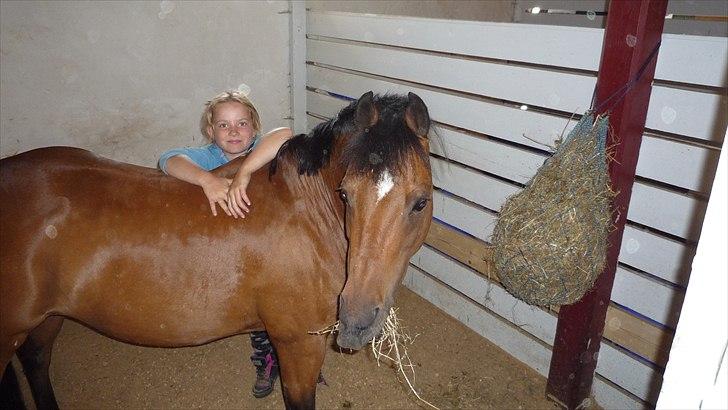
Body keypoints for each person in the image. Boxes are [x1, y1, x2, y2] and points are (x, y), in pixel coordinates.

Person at [158, 90, 293, 398]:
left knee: (283, 302)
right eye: (223, 125)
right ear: (210, 131)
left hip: (269, 238)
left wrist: (245, 171)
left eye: (242, 123)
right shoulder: (210, 157)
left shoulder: (261, 147)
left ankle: (292, 357)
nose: (234, 132)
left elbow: (284, 134)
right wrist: (208, 180)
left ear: (255, 128)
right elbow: (168, 160)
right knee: (256, 310)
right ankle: (267, 359)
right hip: (231, 247)